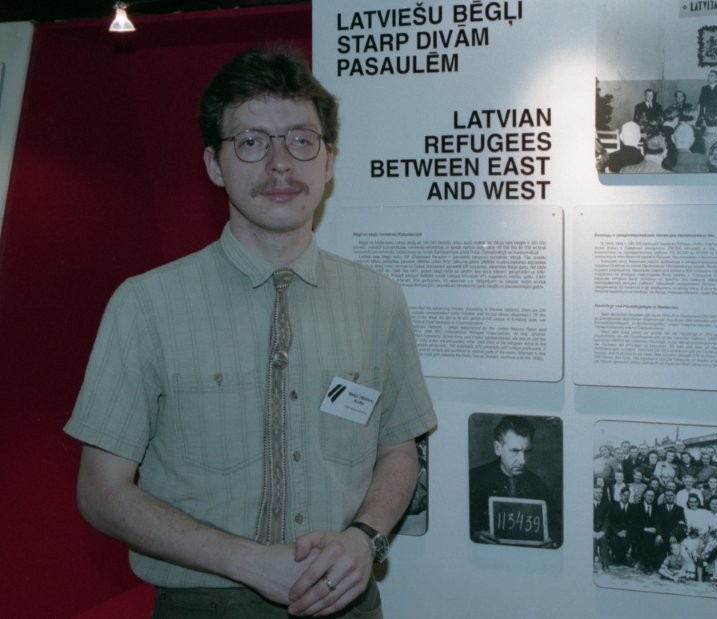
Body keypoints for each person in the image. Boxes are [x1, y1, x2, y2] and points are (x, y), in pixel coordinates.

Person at [64, 46, 437, 618]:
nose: (280, 164)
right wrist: (245, 561)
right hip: (204, 604)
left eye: (302, 140)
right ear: (215, 164)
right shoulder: (145, 305)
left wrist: (365, 538)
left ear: (329, 162)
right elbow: (101, 491)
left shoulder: (378, 301)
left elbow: (398, 449)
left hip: (348, 603)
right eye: (252, 142)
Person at [469, 415, 560, 546]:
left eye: (527, 452)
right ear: (498, 448)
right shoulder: (474, 479)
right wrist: (473, 536)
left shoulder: (539, 486)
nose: (522, 461)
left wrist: (551, 542)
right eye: (515, 451)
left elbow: (555, 528)